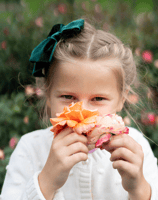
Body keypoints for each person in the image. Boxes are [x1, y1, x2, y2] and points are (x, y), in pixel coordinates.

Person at [1, 18, 158, 200]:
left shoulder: (137, 148)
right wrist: (47, 181)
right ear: (48, 95)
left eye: (98, 99)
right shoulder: (30, 150)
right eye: (68, 97)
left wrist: (138, 188)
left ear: (121, 100)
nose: (82, 112)